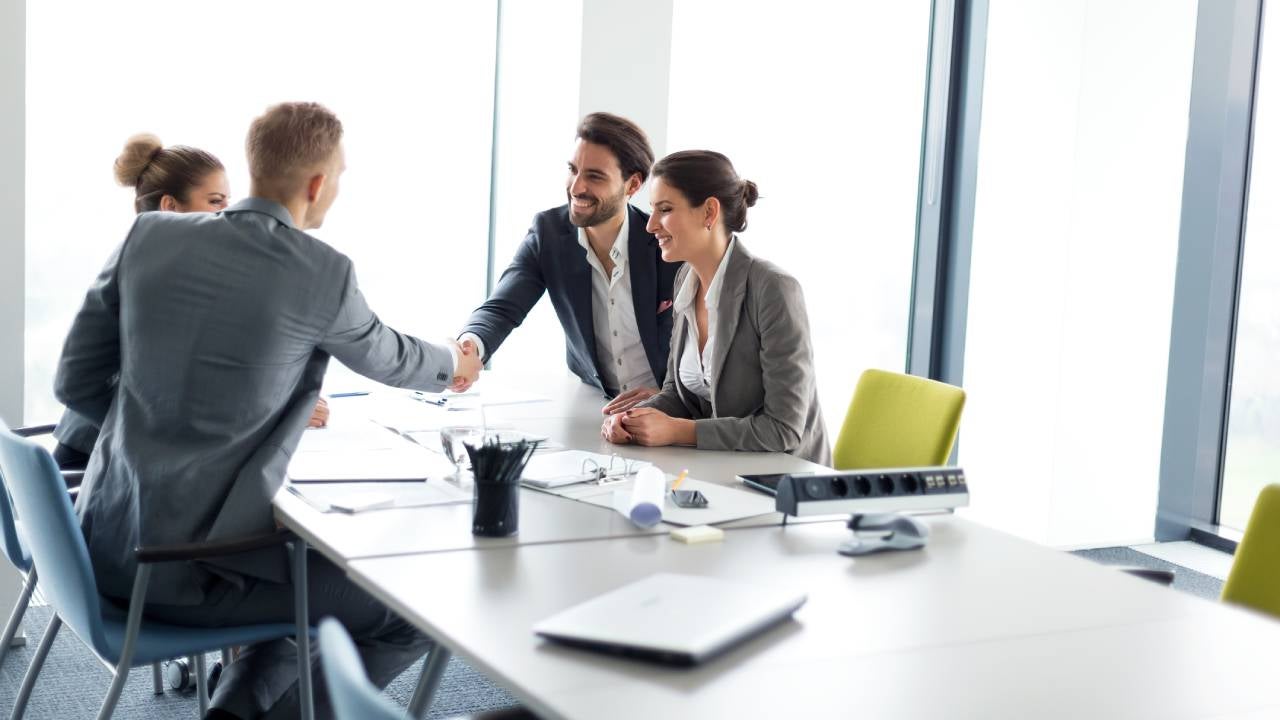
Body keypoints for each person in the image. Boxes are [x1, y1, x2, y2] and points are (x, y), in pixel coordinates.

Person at [56, 102, 482, 719]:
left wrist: (154, 428)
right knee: (408, 609)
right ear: (317, 184)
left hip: (101, 542)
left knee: (308, 570)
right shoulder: (321, 272)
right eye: (338, 175)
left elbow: (76, 381)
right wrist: (456, 363)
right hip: (186, 572)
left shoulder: (149, 234)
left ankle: (231, 711)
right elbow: (387, 355)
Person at [51, 134, 329, 472]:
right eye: (215, 202)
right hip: (98, 464)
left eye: (228, 202)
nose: (228, 215)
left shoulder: (157, 264)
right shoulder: (160, 279)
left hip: (94, 458)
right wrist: (276, 416)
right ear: (170, 207)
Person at [601, 150, 831, 465]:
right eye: (652, 211)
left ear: (709, 212)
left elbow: (784, 430)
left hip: (785, 479)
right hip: (723, 468)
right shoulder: (686, 279)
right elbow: (677, 393)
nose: (651, 225)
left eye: (665, 210)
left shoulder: (773, 289)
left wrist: (679, 431)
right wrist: (632, 419)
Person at [458, 113, 681, 408]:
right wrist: (471, 346)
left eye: (595, 176)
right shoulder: (548, 233)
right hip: (595, 405)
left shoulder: (666, 243)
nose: (576, 187)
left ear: (632, 185)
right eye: (573, 170)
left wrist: (668, 398)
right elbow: (502, 308)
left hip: (668, 409)